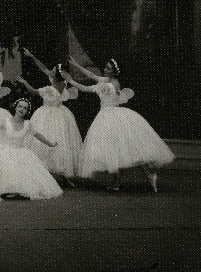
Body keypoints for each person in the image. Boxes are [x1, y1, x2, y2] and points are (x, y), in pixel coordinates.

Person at [63, 57, 174, 192]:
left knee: (121, 151)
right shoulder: (110, 81)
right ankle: (122, 181)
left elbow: (86, 88)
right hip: (114, 115)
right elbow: (92, 75)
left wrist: (70, 80)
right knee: (119, 151)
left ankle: (148, 174)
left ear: (114, 72)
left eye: (108, 68)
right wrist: (77, 65)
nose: (105, 69)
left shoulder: (108, 85)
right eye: (105, 67)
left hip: (109, 117)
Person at [0, 98, 63, 199]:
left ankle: (15, 190)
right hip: (2, 150)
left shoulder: (27, 124)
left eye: (25, 108)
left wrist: (50, 143)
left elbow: (38, 135)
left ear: (27, 111)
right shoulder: (5, 121)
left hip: (20, 151)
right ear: (15, 108)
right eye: (20, 106)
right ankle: (2, 189)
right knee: (3, 165)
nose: (22, 109)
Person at [17, 47, 83, 186]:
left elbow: (33, 91)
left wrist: (24, 83)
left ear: (56, 74)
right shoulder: (63, 83)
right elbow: (43, 68)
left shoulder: (50, 89)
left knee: (45, 141)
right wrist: (32, 56)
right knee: (63, 143)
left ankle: (43, 174)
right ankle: (65, 175)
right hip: (61, 113)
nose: (50, 70)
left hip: (47, 113)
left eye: (52, 70)